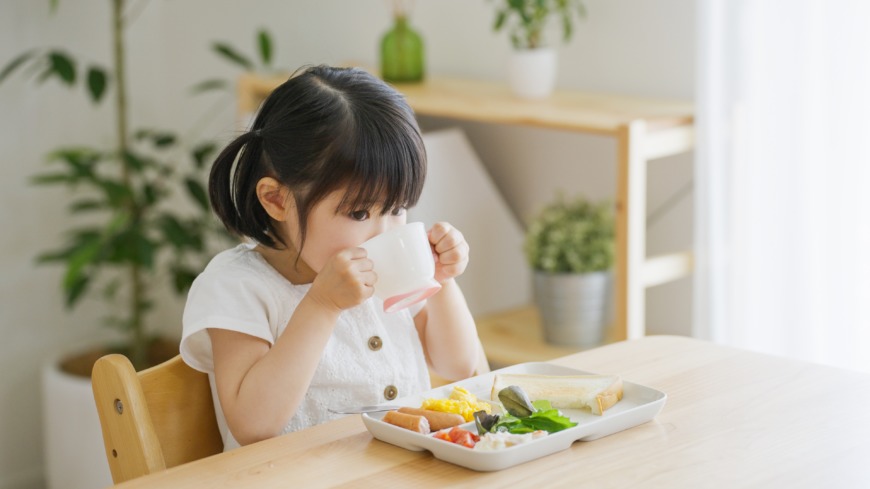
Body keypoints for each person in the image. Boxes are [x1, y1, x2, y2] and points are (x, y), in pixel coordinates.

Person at [180, 65, 480, 451]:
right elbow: (253, 425)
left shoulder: (387, 268)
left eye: (398, 207)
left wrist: (442, 280)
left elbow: (459, 366)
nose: (385, 231)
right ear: (276, 199)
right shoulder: (238, 286)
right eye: (359, 214)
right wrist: (322, 304)